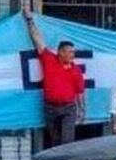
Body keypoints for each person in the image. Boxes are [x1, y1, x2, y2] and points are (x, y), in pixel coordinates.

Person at [23, 8, 85, 147]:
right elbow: (37, 39)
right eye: (70, 52)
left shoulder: (76, 70)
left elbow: (80, 93)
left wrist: (82, 110)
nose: (72, 55)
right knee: (55, 141)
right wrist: (29, 20)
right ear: (60, 52)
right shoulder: (49, 59)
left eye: (73, 52)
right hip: (50, 107)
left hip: (68, 108)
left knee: (67, 142)